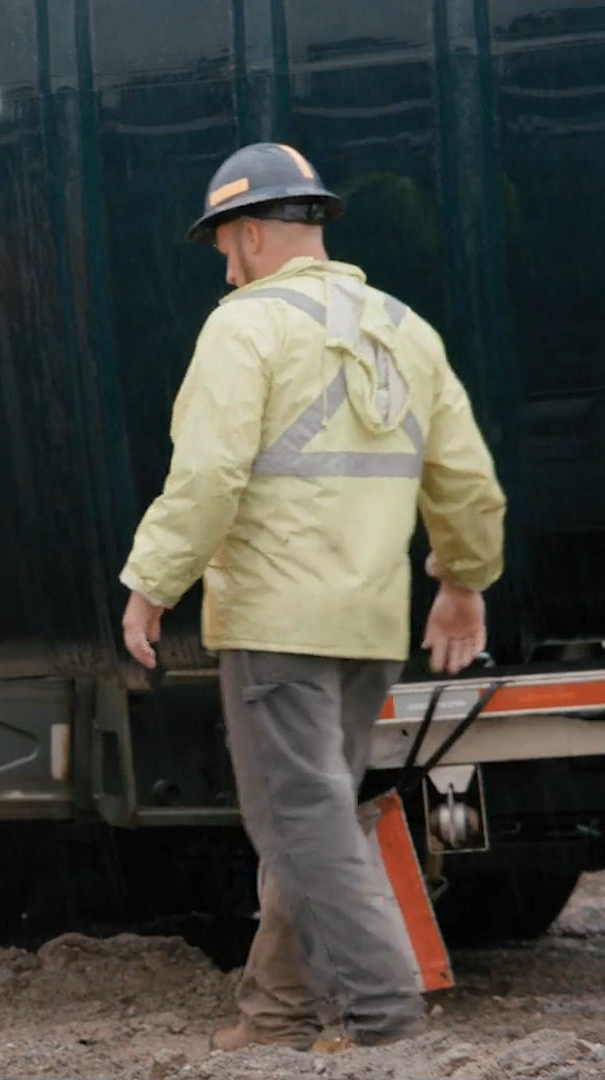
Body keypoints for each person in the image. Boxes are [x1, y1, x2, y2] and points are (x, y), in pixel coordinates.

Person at [117, 143, 507, 1051]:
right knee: (313, 816)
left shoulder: (244, 327)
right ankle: (276, 1011)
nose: (223, 263)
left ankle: (384, 1013)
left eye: (223, 244)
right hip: (368, 625)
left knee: (299, 821)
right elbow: (467, 482)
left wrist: (150, 581)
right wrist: (462, 584)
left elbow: (209, 474)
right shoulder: (405, 330)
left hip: (278, 618)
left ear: (251, 233)